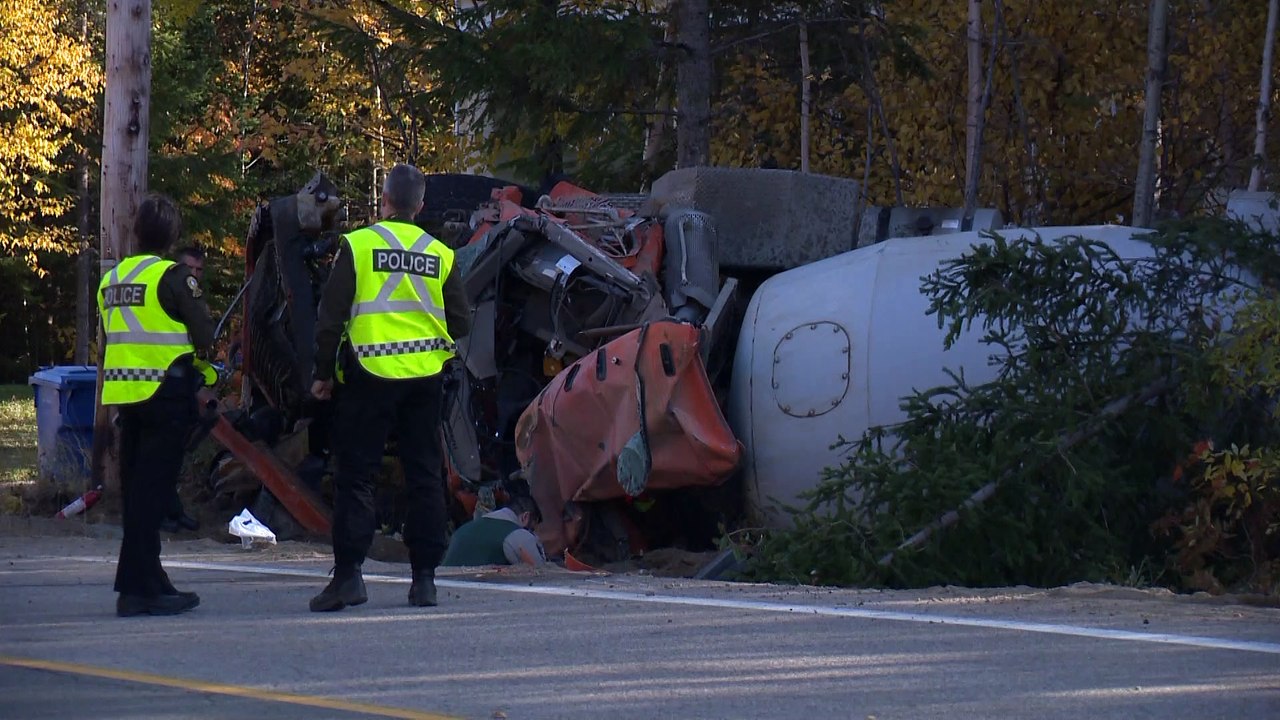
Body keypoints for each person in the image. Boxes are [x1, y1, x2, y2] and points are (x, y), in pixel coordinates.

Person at [308, 163, 471, 612]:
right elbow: (461, 322)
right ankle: (424, 581)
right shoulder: (441, 254)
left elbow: (330, 317)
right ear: (421, 205)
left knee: (356, 475)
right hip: (424, 377)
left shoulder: (359, 246)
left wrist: (323, 373)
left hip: (369, 373)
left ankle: (349, 577)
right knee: (424, 475)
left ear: (384, 201)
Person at [98, 194, 214, 617]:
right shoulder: (173, 277)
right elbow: (204, 333)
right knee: (152, 495)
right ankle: (139, 590)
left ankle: (149, 580)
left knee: (138, 493)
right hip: (165, 393)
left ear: (136, 232)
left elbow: (112, 335)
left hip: (126, 398)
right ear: (171, 236)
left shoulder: (112, 280)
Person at [158, 244, 208, 535]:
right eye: (190, 268)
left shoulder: (192, 296)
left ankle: (172, 509)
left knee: (176, 452)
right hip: (164, 381)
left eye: (199, 270)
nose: (194, 274)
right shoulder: (170, 292)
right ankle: (164, 512)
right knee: (161, 455)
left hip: (183, 378)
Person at [441, 495, 547, 567]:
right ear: (525, 517)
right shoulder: (518, 534)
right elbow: (541, 574)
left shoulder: (463, 530)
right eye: (531, 529)